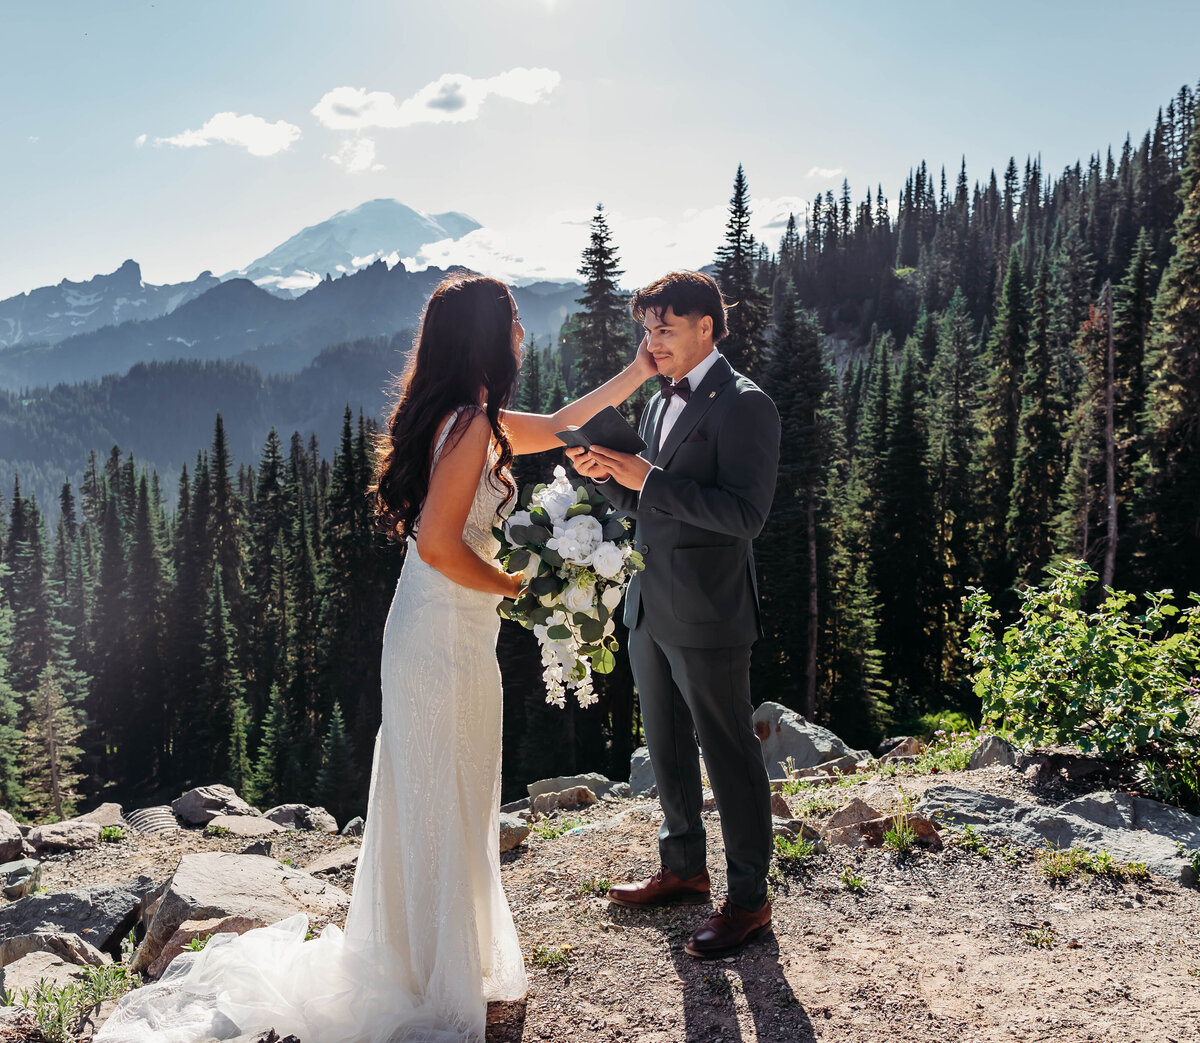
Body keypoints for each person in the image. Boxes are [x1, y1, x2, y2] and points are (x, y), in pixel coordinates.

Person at [96, 272, 656, 1043]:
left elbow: (563, 424)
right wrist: (513, 584)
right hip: (440, 636)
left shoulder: (478, 420)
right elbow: (435, 543)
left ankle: (432, 959)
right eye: (516, 321)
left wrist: (640, 371)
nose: (524, 333)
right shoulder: (466, 427)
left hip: (452, 630)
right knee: (438, 788)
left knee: (450, 787)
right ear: (487, 337)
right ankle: (428, 975)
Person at [567, 269, 780, 960]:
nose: (650, 341)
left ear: (706, 328)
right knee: (665, 745)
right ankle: (683, 866)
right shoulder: (658, 406)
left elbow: (745, 516)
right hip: (649, 605)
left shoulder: (747, 405)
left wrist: (650, 480)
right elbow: (647, 507)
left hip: (711, 610)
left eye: (662, 328)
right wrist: (609, 477)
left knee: (728, 752)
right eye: (645, 329)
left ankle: (749, 899)